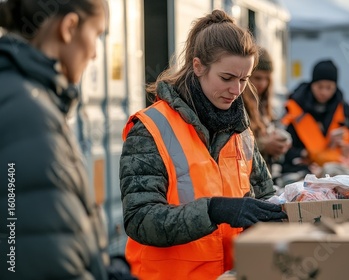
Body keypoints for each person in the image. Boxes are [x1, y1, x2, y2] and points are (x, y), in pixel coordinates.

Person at [119, 10, 287, 280]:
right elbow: (140, 220)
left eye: (244, 80)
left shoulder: (240, 129)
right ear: (198, 67)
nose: (237, 90)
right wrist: (213, 210)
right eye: (227, 78)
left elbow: (265, 197)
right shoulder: (151, 129)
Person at [0, 0, 108, 279]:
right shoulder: (28, 112)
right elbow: (45, 262)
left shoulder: (27, 97)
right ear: (69, 27)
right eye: (96, 35)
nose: (95, 53)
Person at [280, 59, 349, 178]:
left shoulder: (344, 109)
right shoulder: (294, 107)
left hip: (336, 171)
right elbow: (283, 145)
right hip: (301, 170)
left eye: (329, 87)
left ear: (335, 86)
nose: (324, 92)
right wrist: (303, 154)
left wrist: (346, 145)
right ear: (312, 84)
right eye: (320, 87)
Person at [242, 47, 291, 172]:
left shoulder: (266, 106)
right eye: (258, 78)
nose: (263, 84)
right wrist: (264, 145)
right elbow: (233, 148)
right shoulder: (237, 105)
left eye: (267, 79)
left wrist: (282, 141)